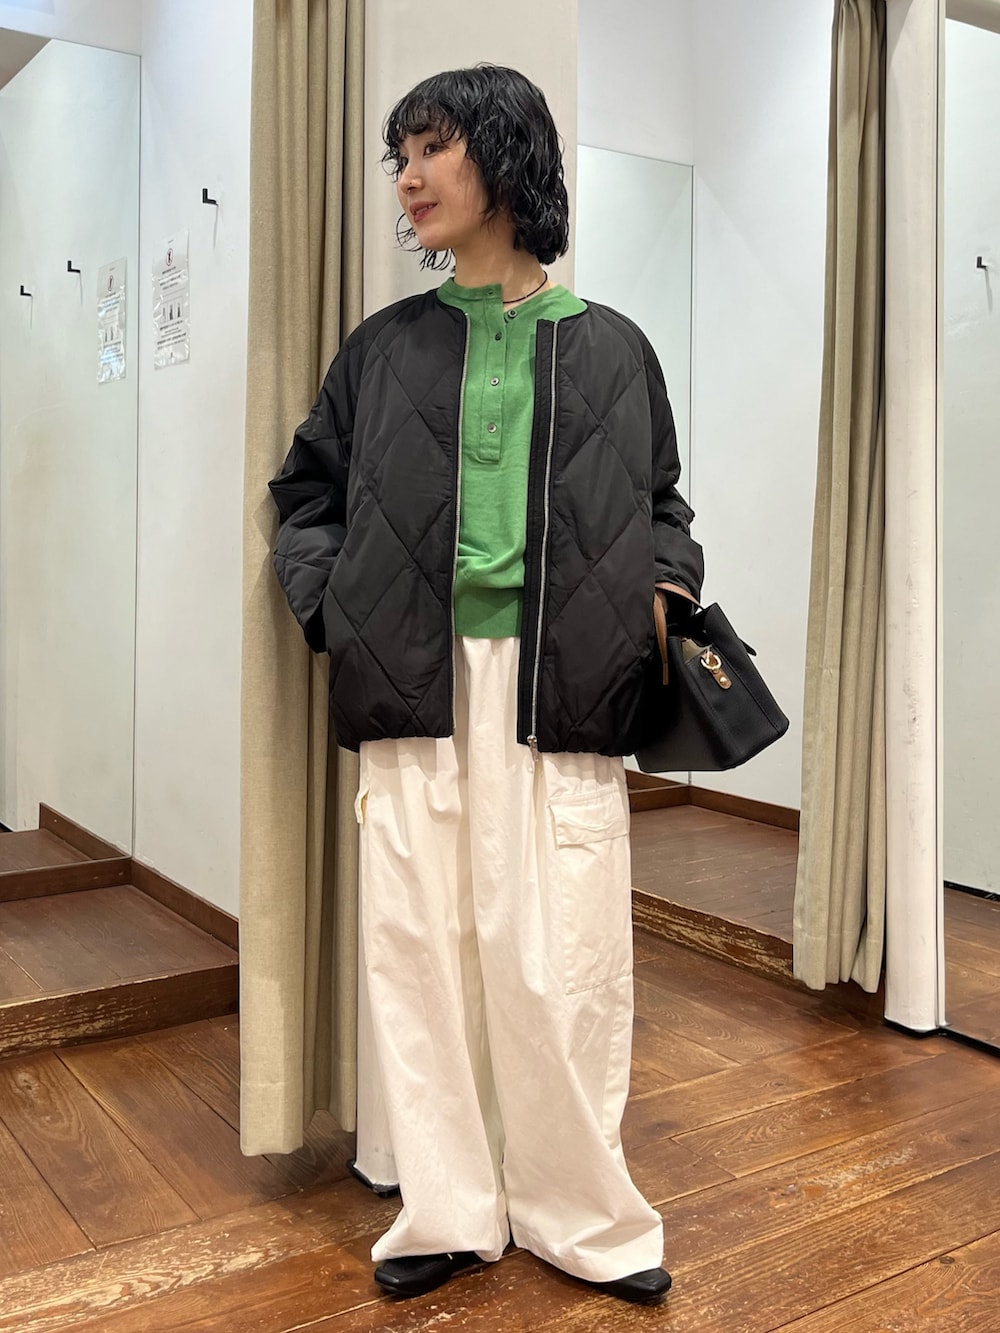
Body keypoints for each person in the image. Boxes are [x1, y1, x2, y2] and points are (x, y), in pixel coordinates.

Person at [268, 64, 704, 1306]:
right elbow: (304, 498)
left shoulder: (613, 349)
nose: (406, 179)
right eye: (399, 156)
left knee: (561, 952)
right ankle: (450, 1208)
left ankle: (584, 1216)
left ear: (503, 158)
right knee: (419, 947)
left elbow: (664, 509)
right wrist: (335, 610)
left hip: (561, 680)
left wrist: (658, 596)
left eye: (431, 149)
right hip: (410, 673)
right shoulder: (383, 349)